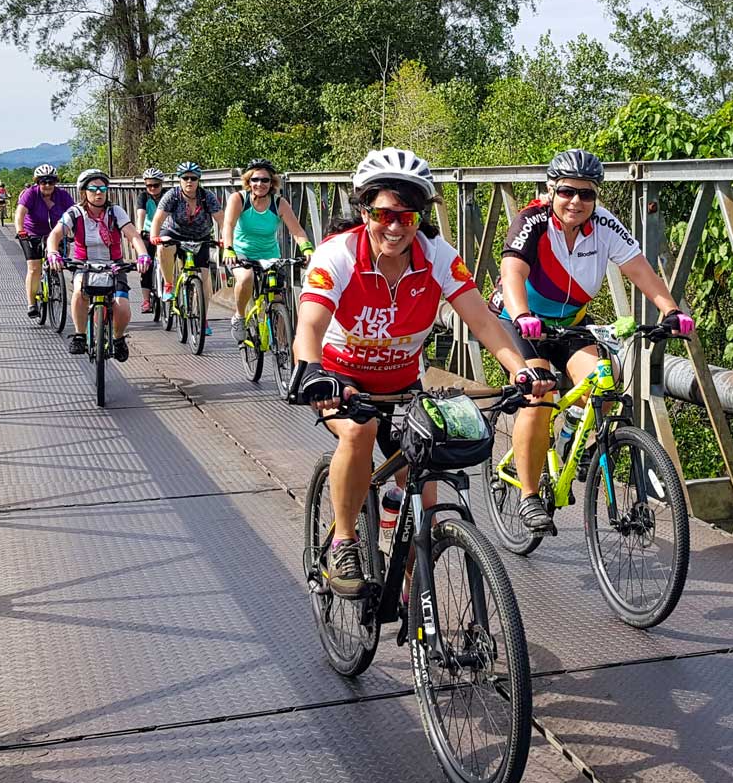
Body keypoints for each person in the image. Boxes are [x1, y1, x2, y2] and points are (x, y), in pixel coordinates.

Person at [290, 147, 555, 598]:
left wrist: (520, 370)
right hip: (342, 379)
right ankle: (343, 541)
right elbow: (310, 324)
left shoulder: (436, 256)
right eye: (383, 214)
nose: (394, 227)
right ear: (364, 210)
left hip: (403, 382)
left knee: (423, 495)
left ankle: (417, 601)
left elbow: (484, 321)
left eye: (406, 218)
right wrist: (312, 371)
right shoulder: (337, 254)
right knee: (359, 434)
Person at [490, 148, 696, 533]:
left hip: (569, 323)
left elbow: (639, 268)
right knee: (539, 395)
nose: (576, 202)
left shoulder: (603, 224)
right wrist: (521, 314)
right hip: (517, 322)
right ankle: (529, 496)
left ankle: (571, 435)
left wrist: (670, 310)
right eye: (568, 192)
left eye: (587, 194)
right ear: (551, 190)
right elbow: (513, 270)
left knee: (604, 380)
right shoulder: (531, 219)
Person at [46, 169, 151, 361]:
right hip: (83, 264)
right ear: (83, 192)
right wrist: (53, 252)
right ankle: (80, 335)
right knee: (79, 293)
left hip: (114, 266)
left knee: (122, 307)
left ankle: (118, 339)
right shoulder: (75, 213)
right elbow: (55, 235)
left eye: (102, 188)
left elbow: (133, 235)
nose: (98, 193)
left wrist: (143, 254)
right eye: (93, 189)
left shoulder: (115, 212)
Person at [220, 158, 313, 340]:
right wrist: (229, 249)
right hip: (241, 252)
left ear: (272, 183)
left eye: (265, 180)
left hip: (270, 255)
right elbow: (228, 225)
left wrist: (307, 249)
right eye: (255, 180)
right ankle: (239, 316)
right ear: (248, 181)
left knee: (277, 299)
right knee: (246, 278)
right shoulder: (239, 199)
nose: (259, 184)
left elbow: (297, 230)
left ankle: (282, 346)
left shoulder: (279, 203)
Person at [148, 161, 222, 333]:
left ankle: (203, 320)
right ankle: (168, 284)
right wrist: (154, 236)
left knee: (204, 280)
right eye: (185, 178)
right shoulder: (172, 196)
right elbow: (158, 219)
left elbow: (222, 220)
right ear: (179, 180)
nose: (189, 181)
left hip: (200, 236)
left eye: (193, 178)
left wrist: (225, 239)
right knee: (164, 247)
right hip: (175, 232)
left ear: (198, 180)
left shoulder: (207, 196)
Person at [14, 164, 74, 317]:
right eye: (43, 182)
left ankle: (56, 281)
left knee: (58, 262)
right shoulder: (30, 194)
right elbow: (20, 213)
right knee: (34, 268)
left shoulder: (62, 195)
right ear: (37, 182)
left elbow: (75, 213)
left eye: (51, 182)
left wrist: (76, 232)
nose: (47, 185)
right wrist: (20, 231)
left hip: (55, 232)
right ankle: (32, 303)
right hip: (31, 233)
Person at [134, 168, 166, 312]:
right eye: (149, 185)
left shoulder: (168, 196)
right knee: (146, 264)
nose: (152, 188)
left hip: (165, 231)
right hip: (148, 232)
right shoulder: (144, 197)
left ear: (161, 184)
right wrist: (139, 230)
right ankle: (146, 300)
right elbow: (140, 213)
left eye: (155, 185)